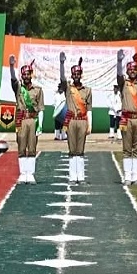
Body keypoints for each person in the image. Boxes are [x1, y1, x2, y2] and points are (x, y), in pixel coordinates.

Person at [117, 51, 137, 185]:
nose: (132, 72)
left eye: (134, 69)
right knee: (127, 148)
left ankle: (136, 176)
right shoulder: (123, 84)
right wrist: (119, 62)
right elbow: (119, 75)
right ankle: (127, 176)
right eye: (129, 70)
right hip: (126, 119)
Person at [9, 55, 42, 184]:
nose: (26, 76)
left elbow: (41, 109)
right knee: (22, 146)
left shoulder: (38, 90)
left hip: (33, 120)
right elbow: (12, 78)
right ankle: (23, 174)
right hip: (21, 120)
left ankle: (31, 173)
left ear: (31, 75)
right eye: (24, 74)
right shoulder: (18, 88)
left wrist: (40, 126)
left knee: (32, 147)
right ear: (22, 76)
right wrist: (11, 66)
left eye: (28, 74)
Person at [59, 54, 91, 184]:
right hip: (71, 121)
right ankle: (73, 177)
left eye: (78, 73)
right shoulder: (68, 88)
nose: (76, 75)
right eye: (74, 74)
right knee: (72, 149)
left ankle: (81, 177)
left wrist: (90, 124)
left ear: (81, 74)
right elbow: (62, 78)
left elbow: (89, 108)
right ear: (72, 75)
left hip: (83, 120)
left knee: (81, 149)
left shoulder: (87, 90)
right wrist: (61, 64)